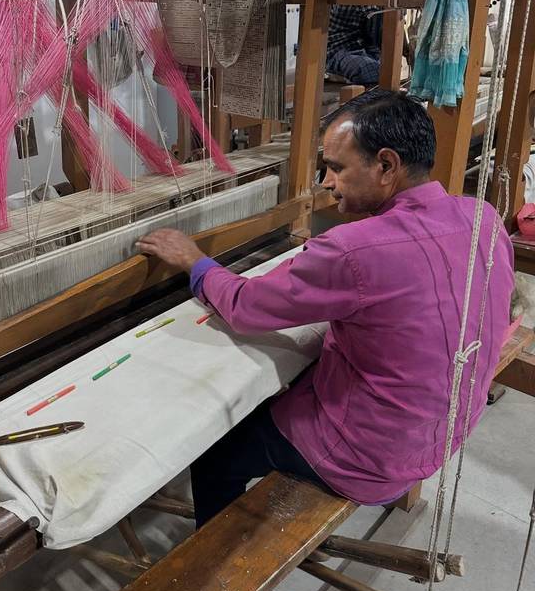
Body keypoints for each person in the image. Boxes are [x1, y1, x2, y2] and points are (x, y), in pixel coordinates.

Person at [136, 90, 514, 528]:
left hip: (371, 459)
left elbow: (245, 306)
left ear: (386, 166)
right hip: (445, 433)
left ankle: (209, 579)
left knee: (214, 450)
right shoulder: (481, 216)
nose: (326, 182)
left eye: (336, 167)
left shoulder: (353, 250)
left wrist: (195, 261)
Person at [325, 4, 383, 85]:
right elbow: (379, 33)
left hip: (364, 50)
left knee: (384, 70)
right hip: (339, 52)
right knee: (371, 71)